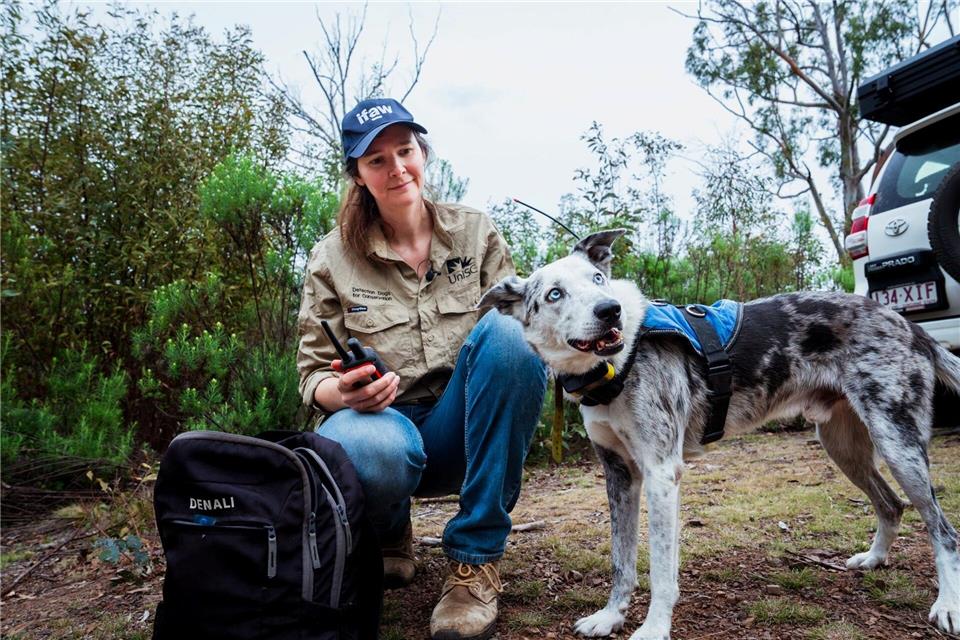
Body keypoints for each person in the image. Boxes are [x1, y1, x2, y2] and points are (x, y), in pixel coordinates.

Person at [296, 97, 547, 640]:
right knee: (368, 446)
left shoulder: (476, 233)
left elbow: (524, 340)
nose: (396, 168)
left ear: (423, 153)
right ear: (358, 176)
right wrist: (343, 393)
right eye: (377, 160)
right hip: (382, 427)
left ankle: (474, 563)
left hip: (464, 429)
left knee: (512, 331)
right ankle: (388, 534)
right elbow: (312, 375)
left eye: (405, 151)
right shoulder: (330, 258)